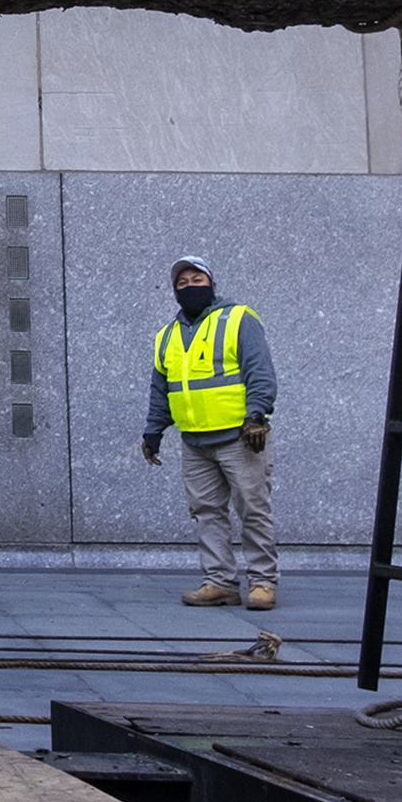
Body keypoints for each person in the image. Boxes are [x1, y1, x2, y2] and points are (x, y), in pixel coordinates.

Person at [144, 254, 280, 609]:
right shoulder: (167, 336)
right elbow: (162, 389)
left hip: (240, 437)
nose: (190, 287)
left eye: (197, 280)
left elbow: (259, 371)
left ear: (213, 285)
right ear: (174, 292)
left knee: (253, 509)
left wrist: (257, 416)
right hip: (195, 442)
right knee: (206, 512)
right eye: (182, 283)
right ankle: (220, 581)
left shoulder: (238, 319)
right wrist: (153, 432)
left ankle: (263, 582)